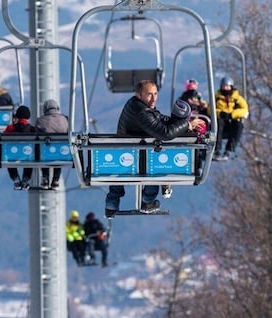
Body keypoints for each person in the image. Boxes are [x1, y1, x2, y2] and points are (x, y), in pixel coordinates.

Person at [104, 80, 205, 217]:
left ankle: (112, 204)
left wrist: (181, 124)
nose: (153, 98)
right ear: (139, 95)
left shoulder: (136, 105)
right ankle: (148, 200)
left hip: (125, 156)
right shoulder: (141, 112)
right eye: (149, 95)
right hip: (138, 159)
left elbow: (158, 119)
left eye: (155, 94)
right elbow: (165, 133)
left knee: (143, 157)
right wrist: (187, 125)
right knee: (156, 160)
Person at [35, 98, 69, 189]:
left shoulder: (40, 120)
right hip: (62, 152)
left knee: (43, 149)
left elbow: (36, 135)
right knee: (59, 152)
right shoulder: (65, 119)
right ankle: (55, 180)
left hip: (45, 152)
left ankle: (45, 177)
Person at [214, 76, 249, 161]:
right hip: (221, 123)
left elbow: (245, 110)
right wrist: (220, 113)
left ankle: (229, 150)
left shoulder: (237, 99)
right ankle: (217, 150)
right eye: (224, 86)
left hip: (232, 123)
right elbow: (210, 109)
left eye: (227, 86)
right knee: (219, 123)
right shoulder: (217, 97)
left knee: (238, 125)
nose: (225, 88)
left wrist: (232, 114)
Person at [5, 105, 35, 190]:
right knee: (30, 155)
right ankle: (26, 178)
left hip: (13, 155)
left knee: (8, 156)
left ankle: (15, 177)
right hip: (27, 155)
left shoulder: (10, 128)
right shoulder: (32, 129)